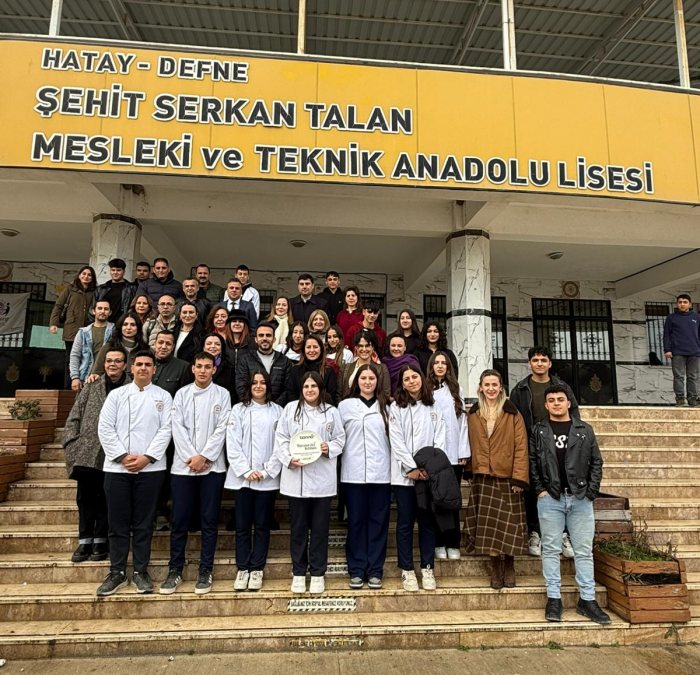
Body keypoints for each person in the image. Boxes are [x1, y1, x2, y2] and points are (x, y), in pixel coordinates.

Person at [529, 385, 610, 625]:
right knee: (551, 549)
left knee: (583, 551)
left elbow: (596, 462)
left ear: (568, 403)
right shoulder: (539, 431)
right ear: (546, 405)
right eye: (551, 400)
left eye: (560, 399)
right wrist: (540, 489)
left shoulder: (584, 430)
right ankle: (554, 598)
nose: (556, 403)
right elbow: (532, 462)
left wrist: (591, 492)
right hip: (550, 498)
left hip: (580, 498)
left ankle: (588, 599)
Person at [96, 349, 173, 596]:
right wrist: (122, 456)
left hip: (151, 469)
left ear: (154, 369)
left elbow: (166, 430)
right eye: (139, 364)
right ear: (131, 368)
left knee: (144, 522)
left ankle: (140, 571)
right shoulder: (116, 395)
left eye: (148, 365)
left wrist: (146, 457)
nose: (143, 368)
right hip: (117, 468)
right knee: (117, 523)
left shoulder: (163, 397)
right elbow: (105, 427)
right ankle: (117, 571)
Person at [159, 351, 231, 596]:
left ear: (214, 369)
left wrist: (206, 457)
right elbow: (176, 428)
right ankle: (175, 569)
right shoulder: (181, 394)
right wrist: (192, 457)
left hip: (212, 468)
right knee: (179, 521)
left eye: (207, 367)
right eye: (199, 366)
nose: (202, 370)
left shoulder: (222, 394)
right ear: (192, 368)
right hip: (184, 467)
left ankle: (205, 569)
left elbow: (222, 428)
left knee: (209, 521)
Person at [271, 371, 345, 594]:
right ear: (301, 389)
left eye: (314, 386)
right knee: (299, 529)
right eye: (306, 386)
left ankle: (318, 573)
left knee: (320, 529)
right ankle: (299, 572)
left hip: (322, 480)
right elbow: (281, 439)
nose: (310, 390)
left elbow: (340, 439)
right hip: (296, 480)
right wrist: (288, 459)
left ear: (320, 389)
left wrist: (328, 447)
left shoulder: (331, 412)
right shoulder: (290, 409)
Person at [509, 346, 579, 558]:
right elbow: (513, 419)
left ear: (550, 363)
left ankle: (563, 535)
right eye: (535, 360)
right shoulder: (520, 389)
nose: (539, 363)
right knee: (533, 489)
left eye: (543, 360)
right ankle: (535, 533)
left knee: (559, 487)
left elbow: (574, 414)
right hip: (531, 443)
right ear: (529, 363)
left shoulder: (561, 387)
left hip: (558, 443)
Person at [464, 369, 529, 590]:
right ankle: (495, 567)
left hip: (507, 476)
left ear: (501, 388)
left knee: (508, 525)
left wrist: (519, 478)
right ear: (480, 388)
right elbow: (468, 442)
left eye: (495, 384)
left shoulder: (512, 413)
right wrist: (469, 469)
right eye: (487, 385)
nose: (491, 388)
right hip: (483, 476)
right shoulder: (473, 413)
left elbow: (521, 447)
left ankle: (509, 564)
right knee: (490, 527)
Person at [62, 346, 128, 564]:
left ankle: (100, 539)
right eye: (109, 361)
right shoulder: (92, 385)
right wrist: (71, 444)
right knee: (85, 498)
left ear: (125, 365)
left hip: (114, 454)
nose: (112, 365)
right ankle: (84, 540)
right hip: (87, 452)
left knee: (105, 498)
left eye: (117, 361)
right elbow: (74, 416)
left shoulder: (130, 387)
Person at [389, 364, 446, 592]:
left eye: (415, 377)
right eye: (407, 379)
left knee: (427, 522)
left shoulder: (434, 406)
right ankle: (407, 569)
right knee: (405, 523)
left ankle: (427, 567)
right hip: (404, 477)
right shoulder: (396, 407)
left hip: (428, 476)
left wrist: (430, 468)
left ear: (421, 379)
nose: (412, 381)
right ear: (402, 384)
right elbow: (396, 440)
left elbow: (440, 438)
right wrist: (410, 468)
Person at [226, 369, 283, 592]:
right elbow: (232, 443)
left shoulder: (278, 411)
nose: (258, 386)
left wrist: (267, 471)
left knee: (262, 525)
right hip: (243, 479)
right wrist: (246, 471)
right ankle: (243, 568)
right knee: (242, 525)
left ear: (268, 386)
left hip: (266, 480)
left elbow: (281, 445)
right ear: (249, 386)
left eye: (262, 382)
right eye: (254, 383)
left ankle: (257, 567)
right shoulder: (238, 410)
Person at [338, 363, 391, 589]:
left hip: (381, 473)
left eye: (371, 378)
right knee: (356, 522)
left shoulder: (388, 406)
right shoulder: (345, 406)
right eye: (363, 378)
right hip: (353, 473)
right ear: (356, 381)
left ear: (378, 381)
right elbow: (337, 437)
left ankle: (375, 569)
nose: (367, 382)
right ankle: (357, 569)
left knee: (378, 522)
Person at [427, 351, 469, 561]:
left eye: (444, 363)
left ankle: (453, 542)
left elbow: (462, 422)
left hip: (453, 454)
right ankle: (439, 542)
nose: (440, 366)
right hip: (434, 454)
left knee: (452, 500)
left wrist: (463, 451)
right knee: (436, 500)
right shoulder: (426, 389)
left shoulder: (455, 389)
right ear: (431, 366)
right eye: (436, 363)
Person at [49, 265, 97, 388]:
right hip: (71, 328)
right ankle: (68, 386)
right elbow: (58, 306)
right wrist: (54, 323)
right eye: (84, 274)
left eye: (89, 275)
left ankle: (84, 386)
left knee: (87, 358)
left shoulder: (95, 292)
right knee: (71, 358)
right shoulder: (70, 289)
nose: (86, 276)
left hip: (88, 330)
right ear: (79, 275)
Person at [236, 321, 292, 406]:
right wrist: (253, 406)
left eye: (268, 335)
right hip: (251, 408)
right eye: (261, 335)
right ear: (256, 339)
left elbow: (288, 389)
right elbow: (241, 386)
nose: (264, 338)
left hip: (277, 409)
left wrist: (274, 407)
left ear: (274, 339)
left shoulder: (284, 361)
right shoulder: (245, 360)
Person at [663, 293, 700, 406]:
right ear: (677, 304)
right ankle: (680, 399)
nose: (682, 304)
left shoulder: (697, 317)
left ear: (690, 304)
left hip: (694, 352)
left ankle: (693, 399)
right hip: (677, 352)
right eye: (680, 302)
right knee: (678, 377)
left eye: (685, 302)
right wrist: (667, 349)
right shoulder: (671, 318)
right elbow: (666, 335)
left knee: (693, 376)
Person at [69, 299, 114, 391]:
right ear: (94, 311)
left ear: (110, 312)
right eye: (100, 308)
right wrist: (75, 377)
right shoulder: (83, 332)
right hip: (85, 378)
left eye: (106, 309)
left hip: (109, 377)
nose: (102, 311)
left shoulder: (114, 331)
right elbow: (75, 355)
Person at [90, 312, 148, 377]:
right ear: (120, 327)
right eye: (125, 324)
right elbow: (96, 373)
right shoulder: (108, 348)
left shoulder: (145, 350)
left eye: (133, 325)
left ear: (138, 328)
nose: (128, 328)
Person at [337, 330, 391, 400]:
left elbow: (386, 395)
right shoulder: (345, 368)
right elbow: (339, 395)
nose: (364, 349)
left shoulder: (382, 369)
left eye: (367, 346)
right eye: (360, 346)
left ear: (373, 347)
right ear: (356, 348)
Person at [286, 334, 338, 405]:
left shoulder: (329, 371)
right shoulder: (295, 370)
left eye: (315, 347)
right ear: (304, 350)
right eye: (308, 347)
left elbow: (331, 396)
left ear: (321, 349)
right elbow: (291, 394)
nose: (312, 350)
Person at [92, 257, 137, 322]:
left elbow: (133, 308)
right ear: (110, 271)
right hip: (103, 323)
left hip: (122, 323)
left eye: (118, 270)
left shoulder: (131, 288)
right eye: (113, 270)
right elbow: (93, 308)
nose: (115, 272)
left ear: (124, 272)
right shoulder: (101, 289)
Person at [151, 330, 192, 397]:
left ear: (173, 347)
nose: (164, 347)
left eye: (168, 344)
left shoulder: (184, 367)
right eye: (160, 342)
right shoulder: (144, 362)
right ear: (155, 344)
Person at [202, 333, 236, 397]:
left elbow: (232, 394)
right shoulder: (194, 366)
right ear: (203, 347)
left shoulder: (229, 368)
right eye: (209, 344)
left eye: (217, 344)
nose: (213, 346)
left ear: (221, 348)